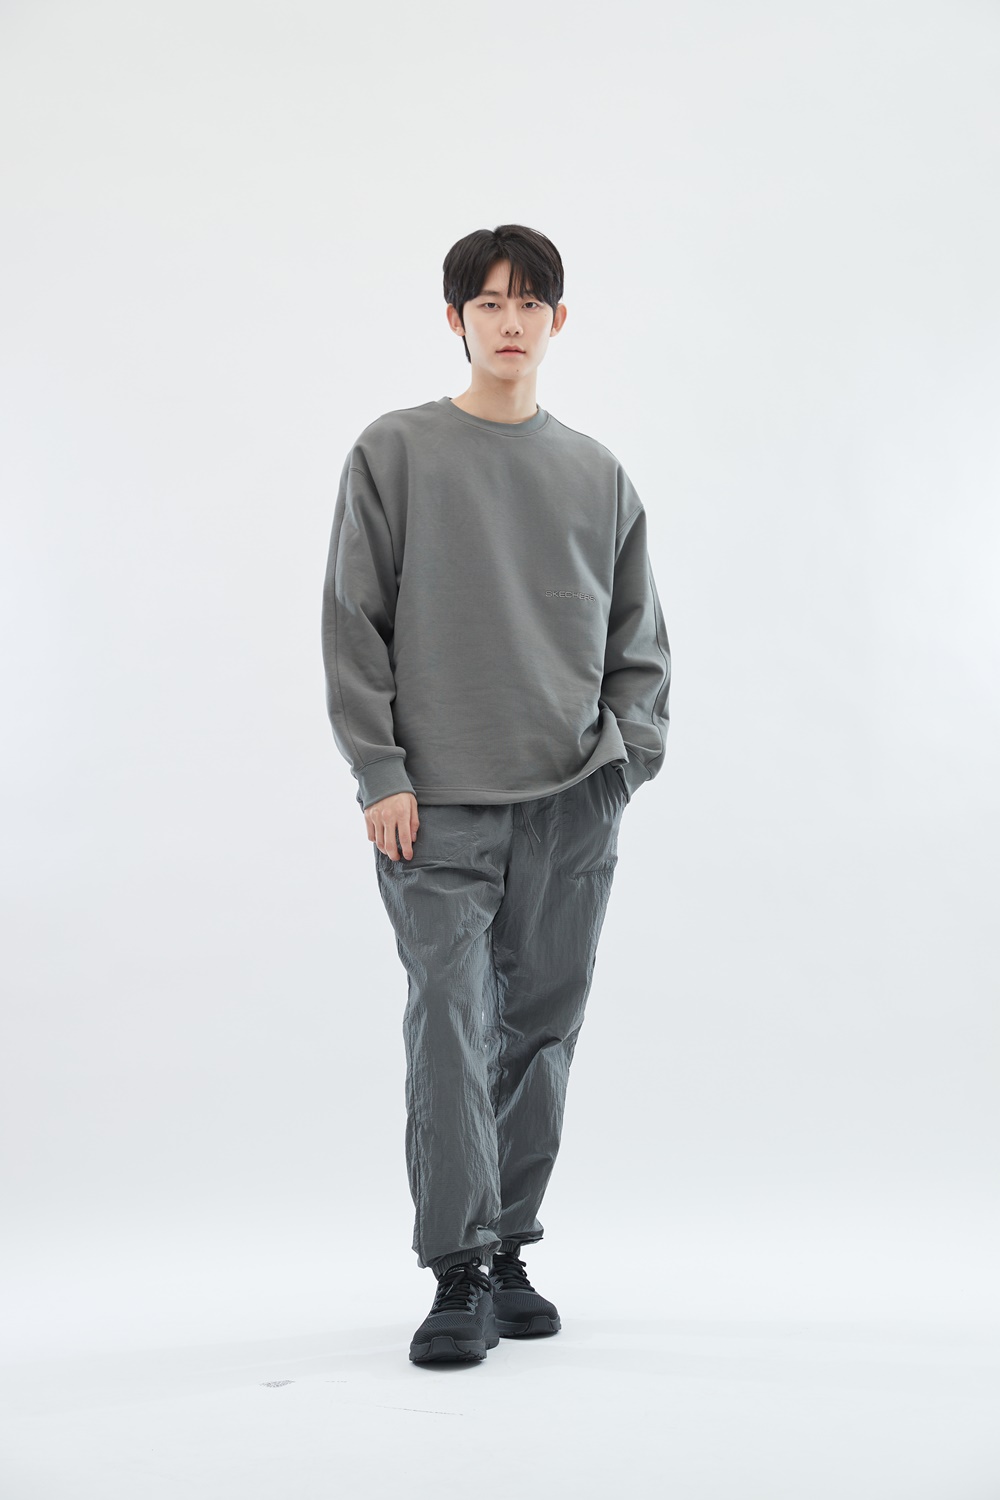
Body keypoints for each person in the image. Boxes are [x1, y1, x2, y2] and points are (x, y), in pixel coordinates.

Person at [321, 224, 671, 1365]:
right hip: (435, 806)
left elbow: (639, 641)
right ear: (455, 320)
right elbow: (353, 623)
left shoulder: (598, 474)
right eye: (488, 303)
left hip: (571, 799)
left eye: (529, 303)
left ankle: (511, 1243)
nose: (509, 322)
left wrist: (626, 762)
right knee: (450, 1023)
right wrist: (380, 771)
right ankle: (457, 1268)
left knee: (542, 1028)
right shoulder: (395, 452)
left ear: (557, 321)